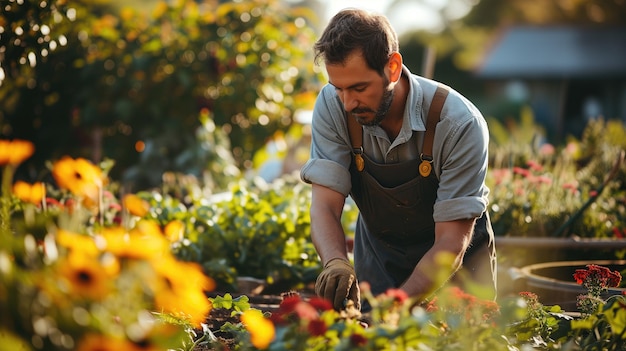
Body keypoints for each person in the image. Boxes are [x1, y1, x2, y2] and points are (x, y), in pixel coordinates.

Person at [299, 8, 497, 311]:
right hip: (382, 257)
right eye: (339, 88)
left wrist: (399, 305)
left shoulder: (458, 124)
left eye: (359, 88)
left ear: (392, 68)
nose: (348, 102)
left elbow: (450, 242)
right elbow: (325, 204)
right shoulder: (332, 106)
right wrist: (335, 261)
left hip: (457, 269)